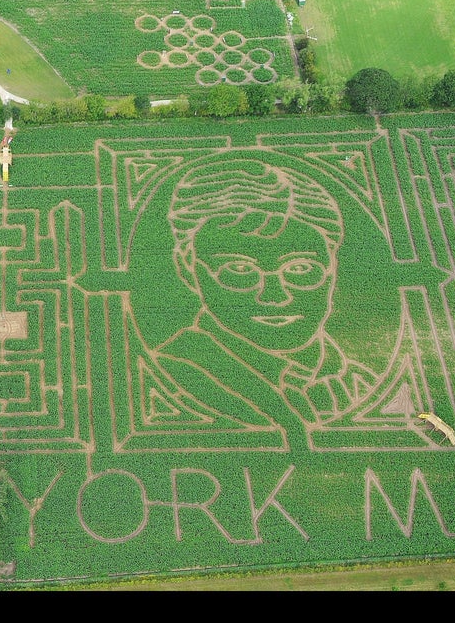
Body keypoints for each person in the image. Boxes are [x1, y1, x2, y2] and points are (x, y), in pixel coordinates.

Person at [149, 158, 429, 448]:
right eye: (240, 269)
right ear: (188, 269)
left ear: (332, 265)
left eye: (301, 269)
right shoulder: (181, 371)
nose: (274, 296)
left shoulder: (357, 380)